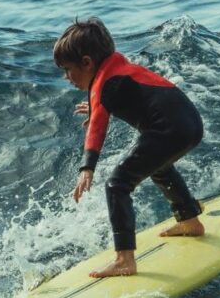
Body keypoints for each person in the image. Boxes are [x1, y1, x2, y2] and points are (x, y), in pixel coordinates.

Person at [54, 17, 205, 278]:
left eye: (68, 69)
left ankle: (124, 259)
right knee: (160, 167)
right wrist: (98, 106)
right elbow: (125, 96)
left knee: (117, 184)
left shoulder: (104, 84)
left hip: (170, 130)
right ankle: (189, 220)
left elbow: (97, 127)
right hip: (189, 125)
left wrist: (87, 167)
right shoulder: (117, 69)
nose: (66, 77)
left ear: (87, 63)